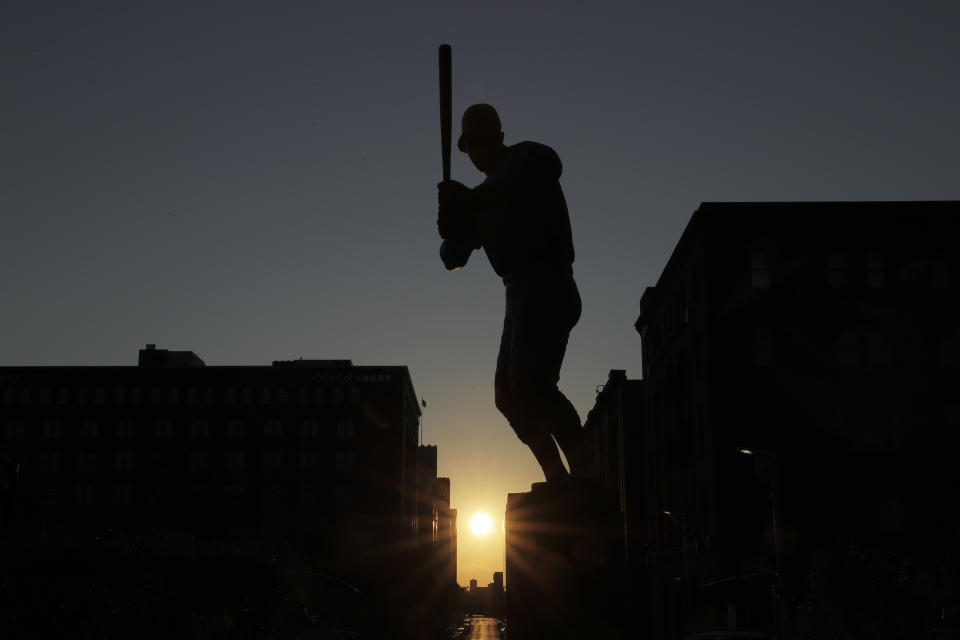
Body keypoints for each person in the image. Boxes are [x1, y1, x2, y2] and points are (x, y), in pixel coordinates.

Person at [436, 103, 591, 483]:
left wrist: (470, 201)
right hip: (518, 296)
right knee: (508, 397)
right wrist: (451, 222)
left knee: (532, 386)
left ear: (499, 136)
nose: (477, 150)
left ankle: (588, 475)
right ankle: (558, 478)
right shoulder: (482, 198)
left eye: (482, 139)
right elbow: (452, 257)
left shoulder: (526, 158)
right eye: (471, 144)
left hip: (548, 282)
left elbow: (549, 166)